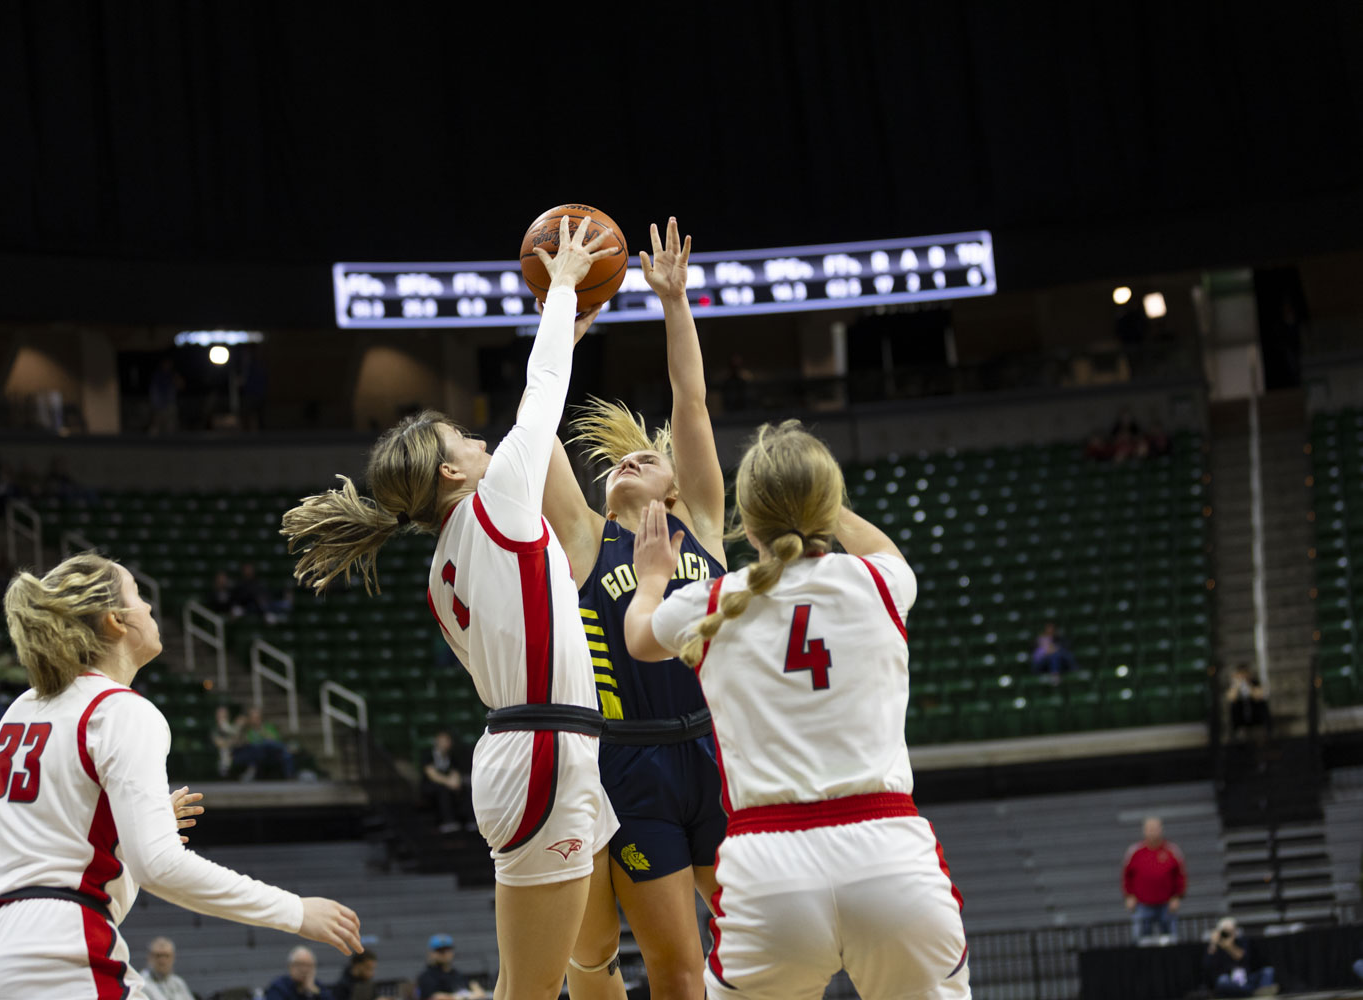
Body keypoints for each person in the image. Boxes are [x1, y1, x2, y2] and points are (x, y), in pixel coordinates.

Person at [281, 216, 620, 1000]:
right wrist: (561, 291)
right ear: (450, 474)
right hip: (544, 750)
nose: (483, 440)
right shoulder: (497, 502)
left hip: (536, 743)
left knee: (584, 962)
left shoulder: (448, 566)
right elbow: (541, 393)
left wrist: (567, 321)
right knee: (526, 994)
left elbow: (551, 610)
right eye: (466, 437)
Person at [623, 422, 971, 999]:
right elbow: (879, 545)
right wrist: (819, 503)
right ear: (829, 505)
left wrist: (654, 577)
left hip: (769, 872)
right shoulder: (884, 582)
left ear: (747, 520)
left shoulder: (712, 602)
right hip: (888, 856)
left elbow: (638, 638)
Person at [0, 552, 360, 999]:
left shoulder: (22, 707)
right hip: (45, 950)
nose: (150, 607)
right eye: (138, 594)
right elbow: (160, 867)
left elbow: (67, 865)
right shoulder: (121, 709)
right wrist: (296, 911)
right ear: (115, 620)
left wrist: (127, 839)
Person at [539, 217, 728, 1000]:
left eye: (647, 457)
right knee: (677, 968)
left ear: (675, 487)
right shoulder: (585, 540)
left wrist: (674, 302)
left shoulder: (702, 524)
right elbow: (534, 426)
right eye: (618, 458)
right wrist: (558, 323)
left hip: (719, 753)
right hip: (630, 763)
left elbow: (692, 401)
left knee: (767, 937)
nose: (630, 457)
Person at [1122, 816, 1186, 941]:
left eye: (1155, 828)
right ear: (1144, 831)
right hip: (1142, 905)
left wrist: (1177, 897)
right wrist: (1129, 896)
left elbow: (1180, 876)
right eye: (1149, 829)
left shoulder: (1171, 850)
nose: (1152, 831)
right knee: (1141, 942)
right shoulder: (1135, 852)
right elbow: (1126, 876)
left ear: (1161, 829)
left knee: (1170, 940)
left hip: (1167, 905)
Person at [1203, 917, 1277, 997]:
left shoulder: (1242, 941)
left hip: (1246, 978)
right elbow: (1207, 966)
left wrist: (1229, 946)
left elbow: (1242, 957)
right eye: (1225, 931)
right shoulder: (1216, 946)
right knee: (1222, 981)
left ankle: (1258, 991)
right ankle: (1253, 992)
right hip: (1229, 980)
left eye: (1231, 930)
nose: (1228, 933)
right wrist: (1213, 943)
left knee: (1268, 971)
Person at [420, 730, 471, 832]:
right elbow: (432, 774)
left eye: (448, 741)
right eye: (444, 741)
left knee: (465, 787)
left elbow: (455, 772)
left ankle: (470, 821)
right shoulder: (428, 755)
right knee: (442, 790)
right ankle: (448, 821)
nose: (447, 743)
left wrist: (456, 783)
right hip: (432, 785)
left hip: (449, 783)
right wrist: (449, 783)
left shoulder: (451, 757)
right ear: (437, 742)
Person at [232, 705, 295, 781]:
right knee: (260, 745)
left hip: (271, 753)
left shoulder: (268, 727)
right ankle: (287, 747)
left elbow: (275, 739)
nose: (256, 719)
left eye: (257, 717)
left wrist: (262, 731)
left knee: (284, 753)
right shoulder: (248, 731)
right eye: (253, 717)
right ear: (250, 719)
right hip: (257, 752)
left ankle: (290, 776)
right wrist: (238, 726)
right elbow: (240, 742)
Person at [416, 935, 486, 1000]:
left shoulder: (457, 974)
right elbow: (435, 997)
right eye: (440, 951)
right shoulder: (426, 976)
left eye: (448, 949)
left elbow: (477, 990)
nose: (445, 954)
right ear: (432, 953)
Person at [265, 945, 331, 1000]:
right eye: (300, 964)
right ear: (290, 966)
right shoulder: (279, 987)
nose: (304, 970)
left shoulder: (317, 987)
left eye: (308, 965)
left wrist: (312, 992)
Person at [140, 936, 196, 1000]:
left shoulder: (178, 983)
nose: (162, 961)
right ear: (149, 957)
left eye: (166, 956)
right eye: (158, 956)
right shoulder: (141, 984)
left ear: (173, 958)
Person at [1226, 664, 1271, 738]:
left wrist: (1248, 687)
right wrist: (1237, 686)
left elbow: (1259, 695)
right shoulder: (1235, 686)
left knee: (1263, 705)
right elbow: (1231, 698)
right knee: (1233, 706)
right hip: (1241, 716)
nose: (1243, 676)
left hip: (1255, 714)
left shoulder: (1254, 683)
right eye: (1240, 674)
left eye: (1244, 673)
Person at [211, 704, 243, 778]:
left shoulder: (232, 727)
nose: (222, 717)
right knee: (224, 750)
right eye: (220, 714)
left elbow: (238, 740)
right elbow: (219, 743)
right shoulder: (215, 728)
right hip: (222, 751)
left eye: (224, 714)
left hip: (235, 749)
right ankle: (224, 770)